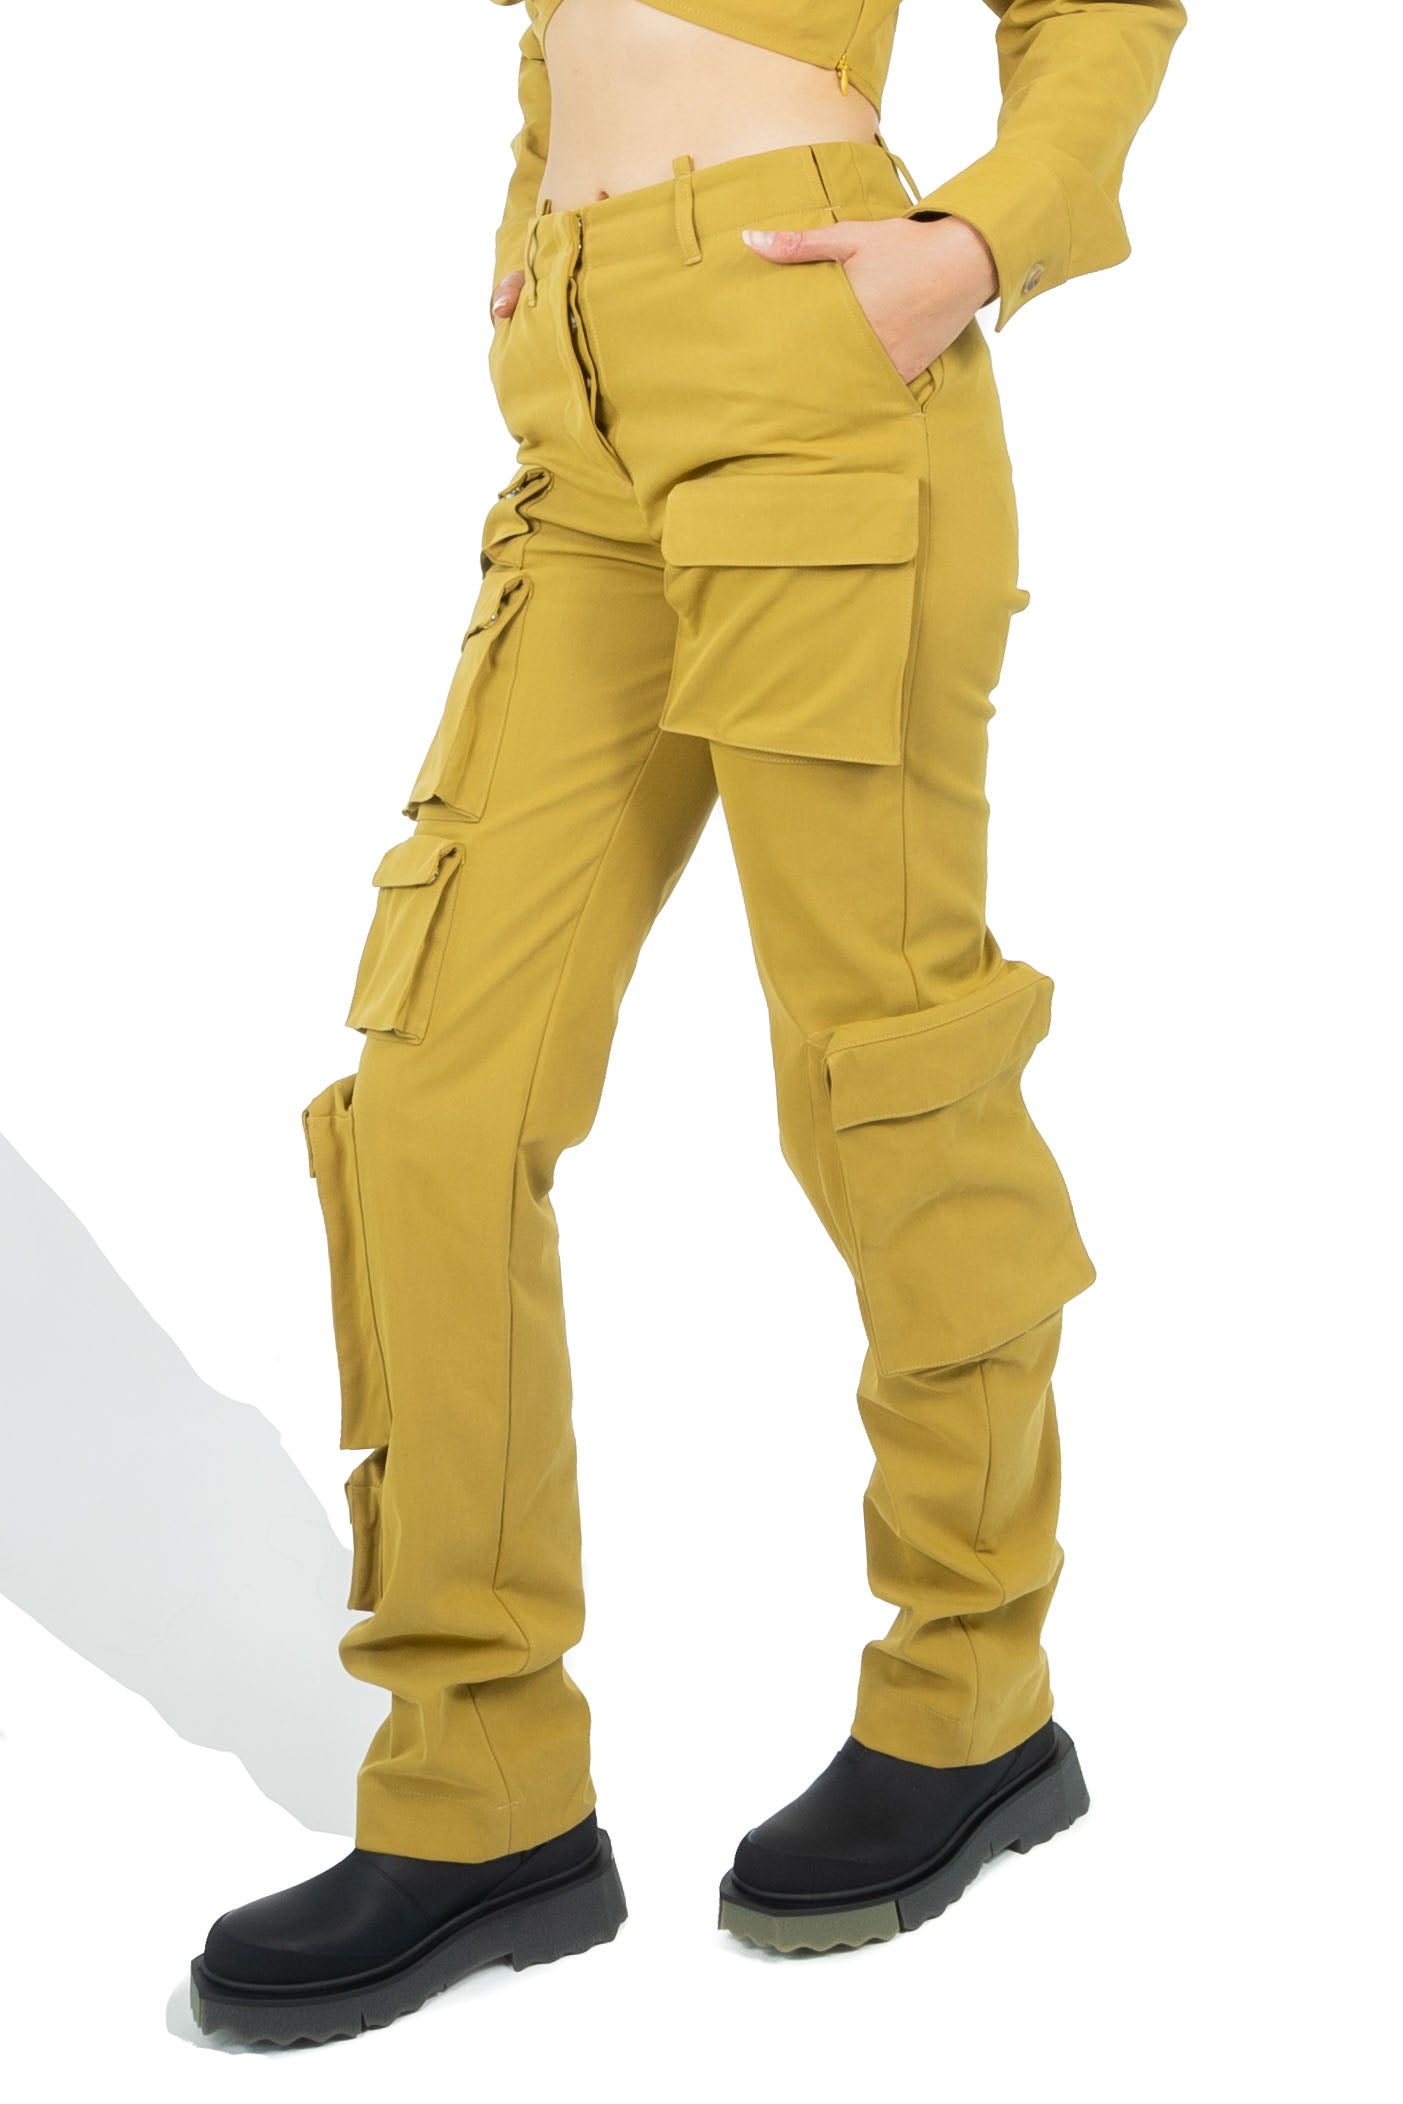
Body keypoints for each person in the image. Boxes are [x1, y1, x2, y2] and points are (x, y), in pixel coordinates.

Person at [191, 0, 1186, 2045]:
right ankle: (482, 1784)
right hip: (585, 408)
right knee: (431, 1096)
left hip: (818, 354)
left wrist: (976, 240)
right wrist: (531, 232)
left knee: (879, 1068)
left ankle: (970, 1687)